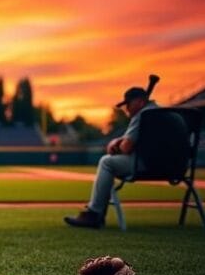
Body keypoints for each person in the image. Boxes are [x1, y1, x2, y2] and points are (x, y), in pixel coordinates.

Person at [64, 83, 158, 229]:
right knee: (110, 160)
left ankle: (94, 214)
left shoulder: (143, 115)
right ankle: (96, 213)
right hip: (177, 168)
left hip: (146, 165)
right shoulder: (169, 113)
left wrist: (116, 143)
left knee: (106, 162)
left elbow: (127, 148)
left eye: (129, 104)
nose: (127, 110)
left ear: (140, 101)